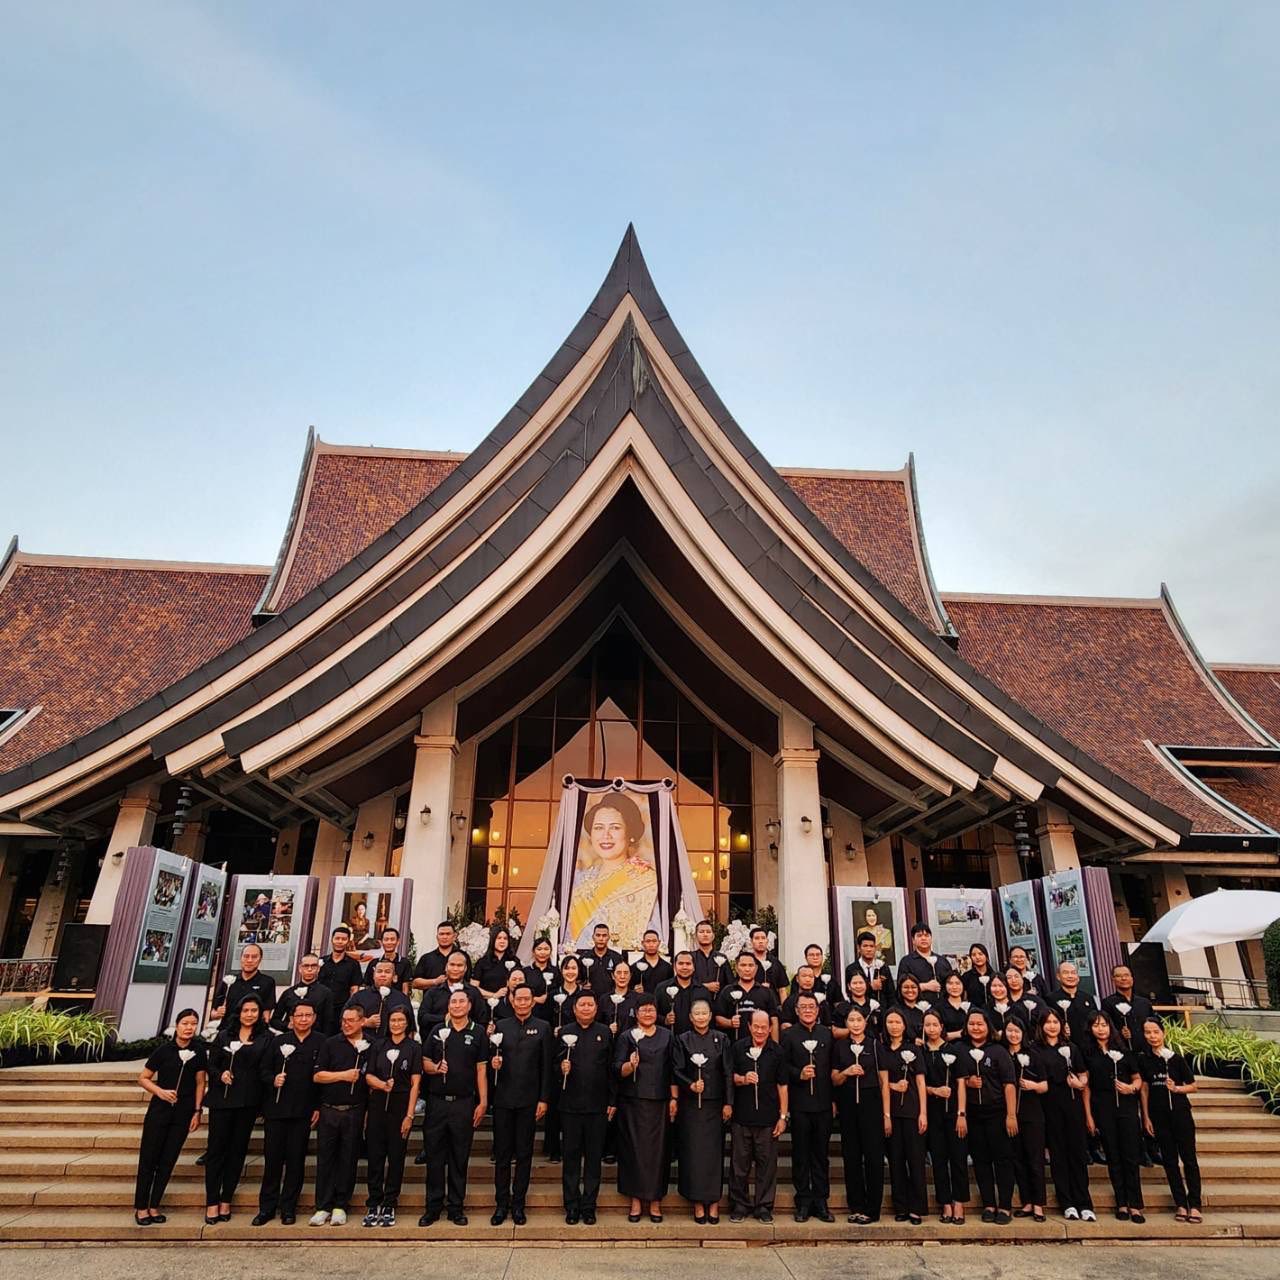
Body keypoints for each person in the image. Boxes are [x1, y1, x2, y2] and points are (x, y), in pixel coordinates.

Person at [419, 988, 489, 1227]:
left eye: (461, 1001)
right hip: (437, 1103)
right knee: (435, 1157)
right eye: (453, 1001)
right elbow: (425, 1061)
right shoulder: (438, 1031)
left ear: (469, 1006)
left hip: (464, 1103)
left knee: (459, 1157)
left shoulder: (478, 1032)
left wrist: (483, 1101)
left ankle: (456, 1207)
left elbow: (481, 1070)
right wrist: (435, 1067)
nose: (457, 1005)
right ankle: (433, 1207)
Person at [134, 1008, 206, 1226]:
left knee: (168, 1160)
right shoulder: (164, 1050)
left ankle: (154, 1205)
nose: (189, 1027)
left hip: (183, 1111)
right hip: (160, 1109)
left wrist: (197, 1110)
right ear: (177, 1025)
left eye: (193, 1023)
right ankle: (141, 1207)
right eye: (185, 1023)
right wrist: (160, 1091)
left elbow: (200, 1082)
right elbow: (143, 1078)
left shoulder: (199, 1051)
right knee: (149, 1158)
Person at [254, 998, 322, 1226]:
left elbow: (321, 1079)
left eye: (308, 1015)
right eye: (299, 1015)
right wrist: (274, 1079)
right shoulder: (278, 1042)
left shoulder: (321, 1042)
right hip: (277, 1109)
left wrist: (317, 1106)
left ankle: (288, 1207)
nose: (303, 1019)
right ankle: (266, 1207)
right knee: (273, 1160)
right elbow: (263, 1070)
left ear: (314, 1018)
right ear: (291, 1019)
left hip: (303, 1111)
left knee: (296, 1161)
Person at [489, 984, 551, 1225]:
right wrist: (495, 1063)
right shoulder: (501, 1027)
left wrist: (544, 1099)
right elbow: (489, 1058)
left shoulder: (543, 1027)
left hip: (529, 1101)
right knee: (503, 1155)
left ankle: (518, 1204)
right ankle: (501, 1204)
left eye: (527, 998)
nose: (523, 1002)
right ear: (512, 1001)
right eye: (519, 999)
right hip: (503, 1099)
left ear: (533, 1001)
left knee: (524, 1155)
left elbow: (546, 1067)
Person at [205, 995, 268, 1224]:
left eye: (254, 1010)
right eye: (246, 1010)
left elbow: (265, 1068)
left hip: (247, 1101)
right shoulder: (224, 1036)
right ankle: (212, 1201)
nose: (249, 1014)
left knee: (237, 1152)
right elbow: (211, 1064)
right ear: (239, 1012)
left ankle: (226, 1199)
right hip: (223, 1099)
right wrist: (220, 1074)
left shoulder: (265, 1038)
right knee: (216, 1151)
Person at [566, 794, 657, 949]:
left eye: (615, 827)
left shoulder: (646, 879)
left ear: (630, 834)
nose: (605, 836)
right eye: (598, 828)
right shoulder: (578, 880)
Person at [310, 1005, 373, 1226]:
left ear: (362, 1021)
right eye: (343, 1020)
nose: (346, 1024)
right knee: (326, 1158)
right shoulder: (330, 1043)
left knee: (348, 1158)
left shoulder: (370, 1046)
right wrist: (343, 1076)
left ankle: (340, 1205)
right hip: (330, 1109)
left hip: (355, 1110)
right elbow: (318, 1076)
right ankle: (322, 1206)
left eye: (351, 1020)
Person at [361, 1005, 422, 1228]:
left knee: (396, 1157)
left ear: (407, 1023)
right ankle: (374, 1201)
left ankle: (389, 1202)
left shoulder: (414, 1047)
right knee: (375, 1156)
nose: (397, 1024)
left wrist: (409, 1115)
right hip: (378, 1104)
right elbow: (368, 1076)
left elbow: (416, 1083)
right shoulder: (378, 1045)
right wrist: (382, 1085)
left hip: (401, 1105)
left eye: (401, 1020)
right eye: (393, 1020)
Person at [673, 998, 733, 1223]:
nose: (700, 1016)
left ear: (710, 1016)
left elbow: (728, 1072)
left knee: (713, 1154)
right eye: (696, 1013)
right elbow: (676, 1070)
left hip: (715, 1104)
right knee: (693, 1154)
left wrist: (728, 1103)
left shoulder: (722, 1039)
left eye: (704, 1013)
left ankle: (714, 1202)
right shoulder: (682, 1040)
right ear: (690, 1017)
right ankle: (698, 1203)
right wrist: (690, 1084)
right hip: (691, 1105)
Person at [615, 995, 674, 1222]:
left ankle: (656, 1201)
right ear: (636, 1013)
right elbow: (617, 1069)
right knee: (634, 1152)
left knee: (658, 1153)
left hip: (659, 1101)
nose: (647, 1014)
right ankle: (636, 1201)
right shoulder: (626, 1037)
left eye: (651, 1010)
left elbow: (673, 1068)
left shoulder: (667, 1036)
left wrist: (674, 1098)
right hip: (632, 1102)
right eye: (643, 1010)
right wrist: (631, 1065)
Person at [558, 990, 615, 1224]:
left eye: (590, 1004)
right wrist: (561, 1068)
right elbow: (553, 1065)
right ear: (574, 1008)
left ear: (595, 1008)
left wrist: (612, 1101)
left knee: (593, 1160)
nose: (586, 1008)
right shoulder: (564, 1032)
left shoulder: (604, 1033)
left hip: (597, 1107)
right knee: (570, 1159)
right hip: (570, 1106)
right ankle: (571, 1206)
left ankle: (589, 1206)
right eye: (581, 1004)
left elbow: (611, 1069)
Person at [1083, 1011, 1145, 1223]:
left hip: (1126, 1107)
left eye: (1104, 1025)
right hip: (1103, 1108)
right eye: (1096, 1025)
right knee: (1113, 1156)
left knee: (1130, 1156)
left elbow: (1138, 1080)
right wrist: (1089, 1116)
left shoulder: (1124, 1053)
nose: (1101, 1029)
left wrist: (1130, 1088)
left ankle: (1135, 1204)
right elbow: (1087, 1087)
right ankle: (1121, 1203)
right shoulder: (1089, 1054)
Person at [1139, 1017, 1202, 1223]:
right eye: (1148, 1033)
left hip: (1181, 1114)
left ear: (1163, 1033)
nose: (1152, 1036)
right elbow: (1145, 1089)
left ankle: (1195, 1203)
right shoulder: (1145, 1060)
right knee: (1170, 1161)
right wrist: (1146, 1116)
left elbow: (1193, 1085)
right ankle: (1180, 1203)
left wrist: (1176, 1088)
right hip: (1159, 1116)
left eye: (1155, 1032)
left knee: (1189, 1159)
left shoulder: (1176, 1059)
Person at [1036, 1009, 1095, 1221]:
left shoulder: (1071, 1048)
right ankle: (1067, 1202)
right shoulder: (1037, 1049)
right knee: (1058, 1154)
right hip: (1050, 1104)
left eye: (1055, 1022)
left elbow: (1083, 1074)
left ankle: (1084, 1202)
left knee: (1077, 1152)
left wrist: (1080, 1083)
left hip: (1072, 1103)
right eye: (1048, 1022)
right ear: (1041, 1026)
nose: (1052, 1026)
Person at [781, 992, 835, 1222]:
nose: (808, 1010)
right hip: (800, 1103)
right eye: (803, 1007)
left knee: (821, 1155)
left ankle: (821, 1201)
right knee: (801, 1153)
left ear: (818, 1009)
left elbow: (833, 1066)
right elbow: (782, 1067)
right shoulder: (788, 1035)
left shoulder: (827, 1034)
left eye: (811, 1006)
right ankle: (803, 1200)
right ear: (796, 1010)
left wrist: (834, 1100)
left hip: (823, 1103)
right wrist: (798, 1074)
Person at [728, 1009, 786, 1223]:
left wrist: (783, 1116)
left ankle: (763, 1205)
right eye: (756, 1027)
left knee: (767, 1165)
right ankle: (740, 1204)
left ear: (770, 1028)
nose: (760, 1031)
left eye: (764, 1027)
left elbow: (783, 1085)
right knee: (739, 1165)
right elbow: (729, 1076)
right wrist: (743, 1079)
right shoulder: (738, 1048)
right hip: (742, 1117)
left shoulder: (777, 1051)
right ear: (749, 1026)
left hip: (768, 1117)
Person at [961, 1009, 1018, 1224]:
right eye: (972, 1024)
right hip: (974, 1113)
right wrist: (967, 1083)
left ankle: (1004, 1205)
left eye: (980, 1024)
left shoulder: (998, 1051)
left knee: (1002, 1159)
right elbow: (958, 1080)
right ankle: (988, 1204)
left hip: (997, 1112)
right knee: (981, 1160)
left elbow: (1009, 1085)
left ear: (988, 1026)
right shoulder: (962, 1050)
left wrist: (1011, 1115)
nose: (976, 1027)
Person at [832, 1006, 884, 1224]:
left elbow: (883, 1080)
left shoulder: (874, 1044)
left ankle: (872, 1209)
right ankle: (856, 1205)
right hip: (847, 1105)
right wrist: (846, 1072)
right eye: (851, 1019)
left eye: (858, 1019)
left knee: (873, 1157)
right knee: (851, 1156)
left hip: (871, 1103)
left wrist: (886, 1112)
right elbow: (834, 1077)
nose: (855, 1023)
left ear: (865, 1022)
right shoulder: (840, 1047)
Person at [920, 1010, 967, 1224]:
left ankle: (959, 1202)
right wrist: (934, 1091)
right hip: (932, 1111)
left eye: (934, 1025)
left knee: (957, 1158)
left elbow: (961, 1083)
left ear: (941, 1026)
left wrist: (961, 1113)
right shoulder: (920, 1052)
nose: (931, 1029)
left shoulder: (953, 1050)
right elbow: (918, 1083)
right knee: (938, 1159)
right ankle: (945, 1203)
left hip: (954, 1110)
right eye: (927, 1025)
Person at [1004, 1016, 1047, 1221]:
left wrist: (1033, 1086)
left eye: (1017, 1031)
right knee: (1017, 1159)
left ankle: (1038, 1204)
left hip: (1032, 1113)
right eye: (1009, 1030)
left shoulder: (1033, 1055)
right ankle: (1027, 1201)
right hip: (1009, 1114)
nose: (1013, 1034)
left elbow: (1045, 1085)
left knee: (1034, 1159)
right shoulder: (1002, 1054)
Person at [418, 951, 487, 1040]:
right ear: (446, 967)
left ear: (465, 968)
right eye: (452, 965)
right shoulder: (433, 992)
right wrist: (444, 1018)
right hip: (437, 1043)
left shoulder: (474, 992)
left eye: (459, 965)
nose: (455, 969)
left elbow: (482, 1020)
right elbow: (422, 1018)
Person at [715, 952, 780, 1042]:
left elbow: (774, 1020)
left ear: (756, 968)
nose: (747, 969)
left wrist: (775, 1046)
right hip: (734, 1045)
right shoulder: (727, 990)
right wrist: (730, 1023)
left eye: (751, 965)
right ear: (736, 968)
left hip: (761, 1045)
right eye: (743, 965)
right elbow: (718, 1019)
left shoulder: (766, 992)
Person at [344, 958, 415, 1038]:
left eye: (387, 972)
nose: (383, 975)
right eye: (379, 971)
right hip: (363, 1044)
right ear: (373, 975)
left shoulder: (402, 999)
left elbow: (410, 1029)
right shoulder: (359, 997)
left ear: (394, 977)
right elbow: (343, 1020)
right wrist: (365, 1022)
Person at [210, 943, 276, 1025]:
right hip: (227, 1031)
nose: (249, 960)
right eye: (246, 956)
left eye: (254, 957)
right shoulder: (228, 981)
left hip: (253, 1032)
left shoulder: (267, 982)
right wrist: (217, 1014)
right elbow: (213, 1013)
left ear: (260, 959)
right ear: (241, 958)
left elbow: (266, 1016)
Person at [272, 953, 338, 1035]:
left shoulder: (326, 993)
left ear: (318, 969)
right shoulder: (288, 993)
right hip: (290, 1038)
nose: (309, 969)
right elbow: (274, 1020)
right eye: (306, 966)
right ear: (300, 968)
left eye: (313, 966)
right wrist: (287, 1025)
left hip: (316, 1040)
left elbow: (329, 1022)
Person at [657, 950, 713, 1036]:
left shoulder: (703, 991)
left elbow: (711, 1018)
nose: (684, 967)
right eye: (680, 963)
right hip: (669, 1040)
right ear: (674, 966)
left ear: (694, 967)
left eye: (688, 964)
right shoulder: (662, 988)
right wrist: (664, 1020)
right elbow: (653, 1013)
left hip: (695, 1042)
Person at [1048, 961, 1100, 1050]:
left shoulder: (1088, 998)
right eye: (1065, 973)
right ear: (1058, 976)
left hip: (1090, 1046)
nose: (1070, 976)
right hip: (1064, 1047)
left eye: (1073, 973)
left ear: (1078, 977)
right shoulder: (1051, 999)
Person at [896, 923, 953, 996]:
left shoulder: (942, 960)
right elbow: (901, 988)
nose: (923, 938)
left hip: (942, 1005)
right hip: (917, 1005)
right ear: (913, 940)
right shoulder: (906, 961)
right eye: (919, 935)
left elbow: (952, 983)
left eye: (927, 935)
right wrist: (925, 986)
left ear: (931, 939)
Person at [412, 920, 470, 991]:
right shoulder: (426, 958)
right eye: (441, 934)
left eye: (448, 934)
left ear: (454, 936)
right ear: (437, 937)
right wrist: (435, 981)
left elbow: (469, 981)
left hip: (458, 999)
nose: (444, 937)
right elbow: (415, 983)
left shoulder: (463, 956)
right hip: (432, 1000)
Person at [316, 927, 364, 1010]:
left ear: (348, 941)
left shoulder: (354, 964)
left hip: (341, 1008)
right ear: (332, 940)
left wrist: (349, 1008)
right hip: (320, 1006)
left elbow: (354, 989)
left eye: (344, 939)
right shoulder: (321, 962)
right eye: (337, 938)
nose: (340, 941)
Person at [832, 969, 881, 1042]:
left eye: (861, 983)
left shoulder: (875, 1006)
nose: (858, 986)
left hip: (872, 1048)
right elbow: (835, 1032)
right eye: (854, 983)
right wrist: (855, 1029)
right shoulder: (842, 1007)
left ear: (866, 985)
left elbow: (881, 1032)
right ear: (849, 986)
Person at [580, 921, 625, 997]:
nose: (601, 938)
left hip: (611, 1000)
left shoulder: (617, 957)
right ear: (593, 937)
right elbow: (578, 980)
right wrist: (582, 986)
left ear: (608, 937)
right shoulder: (584, 958)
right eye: (598, 935)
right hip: (590, 1001)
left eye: (604, 935)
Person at [780, 965, 831, 1031]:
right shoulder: (790, 1001)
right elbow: (785, 1025)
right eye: (804, 976)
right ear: (797, 979)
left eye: (811, 976)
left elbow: (828, 1025)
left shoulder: (820, 999)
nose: (807, 980)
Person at [473, 926, 518, 998]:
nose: (502, 941)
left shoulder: (514, 961)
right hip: (486, 1003)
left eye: (505, 938)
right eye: (499, 938)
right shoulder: (482, 962)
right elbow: (474, 988)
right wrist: (494, 995)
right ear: (493, 940)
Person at [362, 926, 413, 992]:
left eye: (392, 939)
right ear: (381, 942)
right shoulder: (374, 963)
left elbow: (405, 987)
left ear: (398, 942)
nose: (389, 942)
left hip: (396, 1000)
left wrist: (404, 1001)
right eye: (386, 939)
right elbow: (367, 985)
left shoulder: (404, 963)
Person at [745, 926, 788, 995]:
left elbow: (782, 989)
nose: (760, 941)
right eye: (757, 938)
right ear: (751, 941)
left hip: (773, 1003)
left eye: (763, 938)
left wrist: (785, 1005)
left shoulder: (775, 962)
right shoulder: (746, 962)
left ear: (767, 941)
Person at [844, 930, 888, 996]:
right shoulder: (851, 969)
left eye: (871, 946)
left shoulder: (883, 967)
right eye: (865, 946)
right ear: (859, 948)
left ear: (875, 948)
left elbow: (891, 994)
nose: (869, 949)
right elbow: (849, 993)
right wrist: (870, 987)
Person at [549, 954, 586, 1032]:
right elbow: (547, 1020)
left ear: (578, 970)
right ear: (561, 970)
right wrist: (553, 1030)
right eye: (567, 968)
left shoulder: (585, 994)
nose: (570, 972)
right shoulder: (553, 994)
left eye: (573, 968)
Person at [690, 920, 729, 994]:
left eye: (708, 932)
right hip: (696, 1001)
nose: (705, 934)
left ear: (713, 936)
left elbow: (730, 983)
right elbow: (685, 982)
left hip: (718, 1001)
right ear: (696, 936)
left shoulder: (722, 957)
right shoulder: (690, 957)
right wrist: (704, 986)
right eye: (701, 932)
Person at [604, 960, 640, 1038]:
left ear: (630, 976)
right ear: (613, 976)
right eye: (619, 973)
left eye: (626, 973)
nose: (622, 976)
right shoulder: (604, 999)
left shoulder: (638, 998)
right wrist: (607, 1029)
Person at [632, 929, 674, 993]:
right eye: (648, 941)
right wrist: (634, 990)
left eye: (654, 941)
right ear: (643, 943)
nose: (651, 945)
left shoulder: (667, 967)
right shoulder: (635, 967)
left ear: (659, 943)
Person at [889, 974, 927, 1045]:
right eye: (906, 987)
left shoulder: (925, 1008)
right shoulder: (894, 1011)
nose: (910, 990)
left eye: (913, 987)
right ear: (900, 989)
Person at [938, 972, 971, 1041]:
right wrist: (960, 1033)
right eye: (950, 983)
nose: (954, 987)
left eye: (958, 983)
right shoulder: (939, 1008)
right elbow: (937, 1034)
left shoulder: (971, 1007)